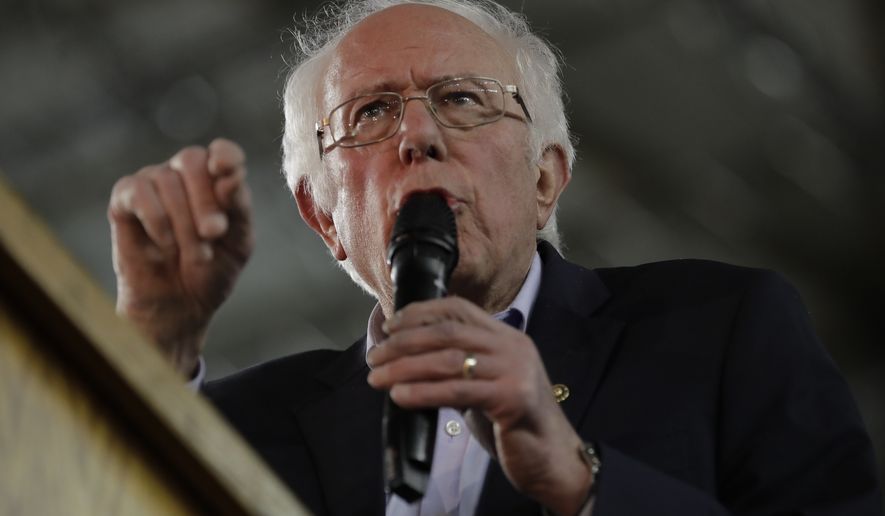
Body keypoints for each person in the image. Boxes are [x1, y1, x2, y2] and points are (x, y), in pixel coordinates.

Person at [107, 0, 882, 514]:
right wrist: (154, 347)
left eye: (462, 98)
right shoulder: (238, 426)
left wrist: (582, 480)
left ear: (545, 178)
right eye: (370, 112)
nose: (418, 136)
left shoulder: (721, 330)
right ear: (323, 220)